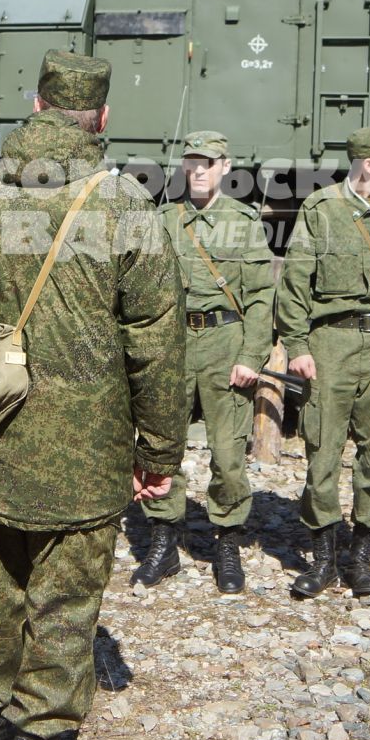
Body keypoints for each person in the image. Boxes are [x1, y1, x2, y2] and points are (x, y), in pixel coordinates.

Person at [0, 50, 186, 740]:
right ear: (101, 120)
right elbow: (157, 343)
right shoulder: (124, 207)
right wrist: (159, 453)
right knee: (66, 606)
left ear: (36, 104)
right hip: (85, 455)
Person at [274, 126, 370, 600]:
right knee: (322, 449)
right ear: (368, 163)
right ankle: (322, 559)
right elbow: (295, 284)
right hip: (331, 344)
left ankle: (360, 560)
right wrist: (298, 345)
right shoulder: (321, 211)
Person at [133, 130, 275, 594]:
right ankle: (163, 541)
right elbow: (142, 291)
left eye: (207, 163)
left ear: (224, 168)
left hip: (225, 342)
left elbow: (260, 297)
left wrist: (251, 355)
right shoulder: (163, 220)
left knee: (230, 454)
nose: (198, 171)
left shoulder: (245, 222)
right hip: (173, 344)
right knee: (160, 444)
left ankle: (227, 543)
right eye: (191, 162)